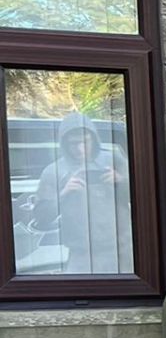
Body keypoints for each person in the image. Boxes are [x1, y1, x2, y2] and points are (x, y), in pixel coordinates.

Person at [21, 115, 133, 275]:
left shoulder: (115, 160)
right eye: (74, 144)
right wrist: (64, 194)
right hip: (81, 254)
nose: (80, 149)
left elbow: (144, 200)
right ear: (64, 144)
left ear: (94, 140)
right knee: (79, 294)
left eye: (85, 142)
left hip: (122, 250)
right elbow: (41, 217)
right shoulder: (54, 171)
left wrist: (121, 181)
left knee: (126, 296)